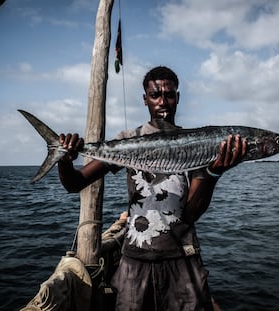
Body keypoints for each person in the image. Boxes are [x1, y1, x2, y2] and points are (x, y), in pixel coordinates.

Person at [57, 66, 247, 310]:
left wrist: (213, 172)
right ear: (145, 99)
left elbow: (190, 214)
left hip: (182, 259)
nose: (163, 102)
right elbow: (74, 183)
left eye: (169, 94)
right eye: (155, 95)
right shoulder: (128, 138)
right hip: (135, 260)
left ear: (177, 98)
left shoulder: (198, 144)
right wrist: (64, 159)